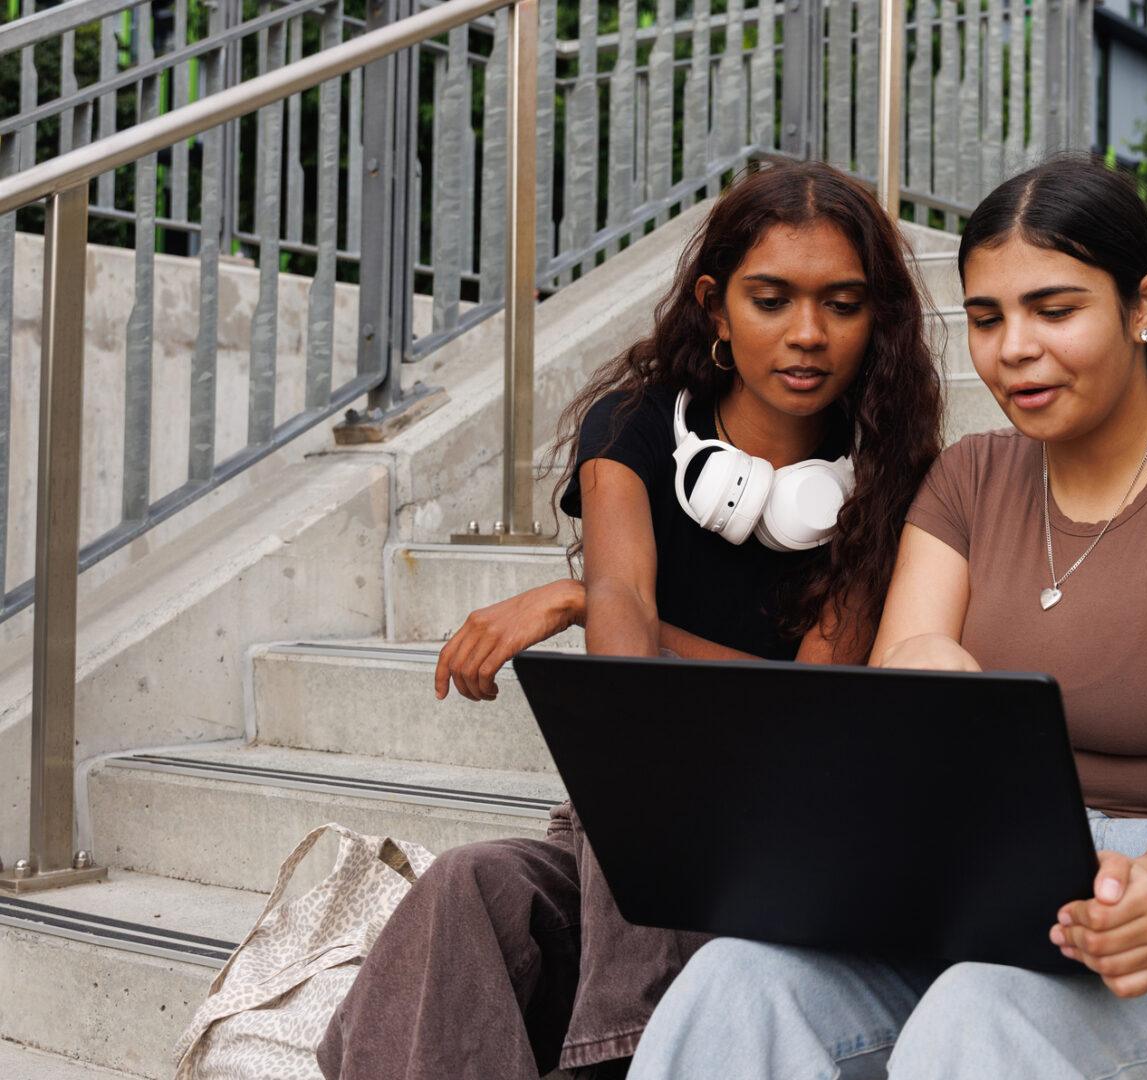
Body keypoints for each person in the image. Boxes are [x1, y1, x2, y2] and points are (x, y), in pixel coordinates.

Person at [624, 156, 1147, 1079]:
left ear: (1143, 305)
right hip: (982, 889)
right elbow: (906, 678)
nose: (1015, 348)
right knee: (735, 985)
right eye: (986, 317)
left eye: (1054, 310)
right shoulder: (968, 477)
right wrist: (924, 666)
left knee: (981, 1019)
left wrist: (1144, 896)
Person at [317, 159, 944, 1080]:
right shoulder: (634, 425)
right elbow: (630, 683)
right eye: (771, 299)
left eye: (842, 305)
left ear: (875, 318)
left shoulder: (892, 476)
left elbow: (807, 712)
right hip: (627, 830)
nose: (808, 334)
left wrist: (571, 601)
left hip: (780, 836)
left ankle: (622, 1061)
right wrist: (599, 603)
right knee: (469, 885)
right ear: (716, 307)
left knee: (660, 775)